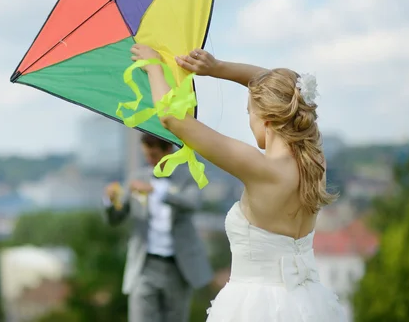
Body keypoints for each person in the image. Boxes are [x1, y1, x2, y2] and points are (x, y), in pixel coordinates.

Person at [129, 44, 347, 321]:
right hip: (308, 304)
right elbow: (281, 87)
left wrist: (153, 66)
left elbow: (172, 118)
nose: (248, 120)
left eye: (249, 112)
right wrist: (216, 68)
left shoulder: (262, 168)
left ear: (266, 117)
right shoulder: (316, 161)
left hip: (256, 308)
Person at [102, 133, 214, 322]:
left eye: (153, 155)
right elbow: (115, 219)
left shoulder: (185, 176)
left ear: (168, 151)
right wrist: (110, 201)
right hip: (144, 265)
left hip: (178, 267)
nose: (150, 160)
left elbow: (193, 203)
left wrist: (157, 191)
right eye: (147, 156)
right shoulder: (137, 177)